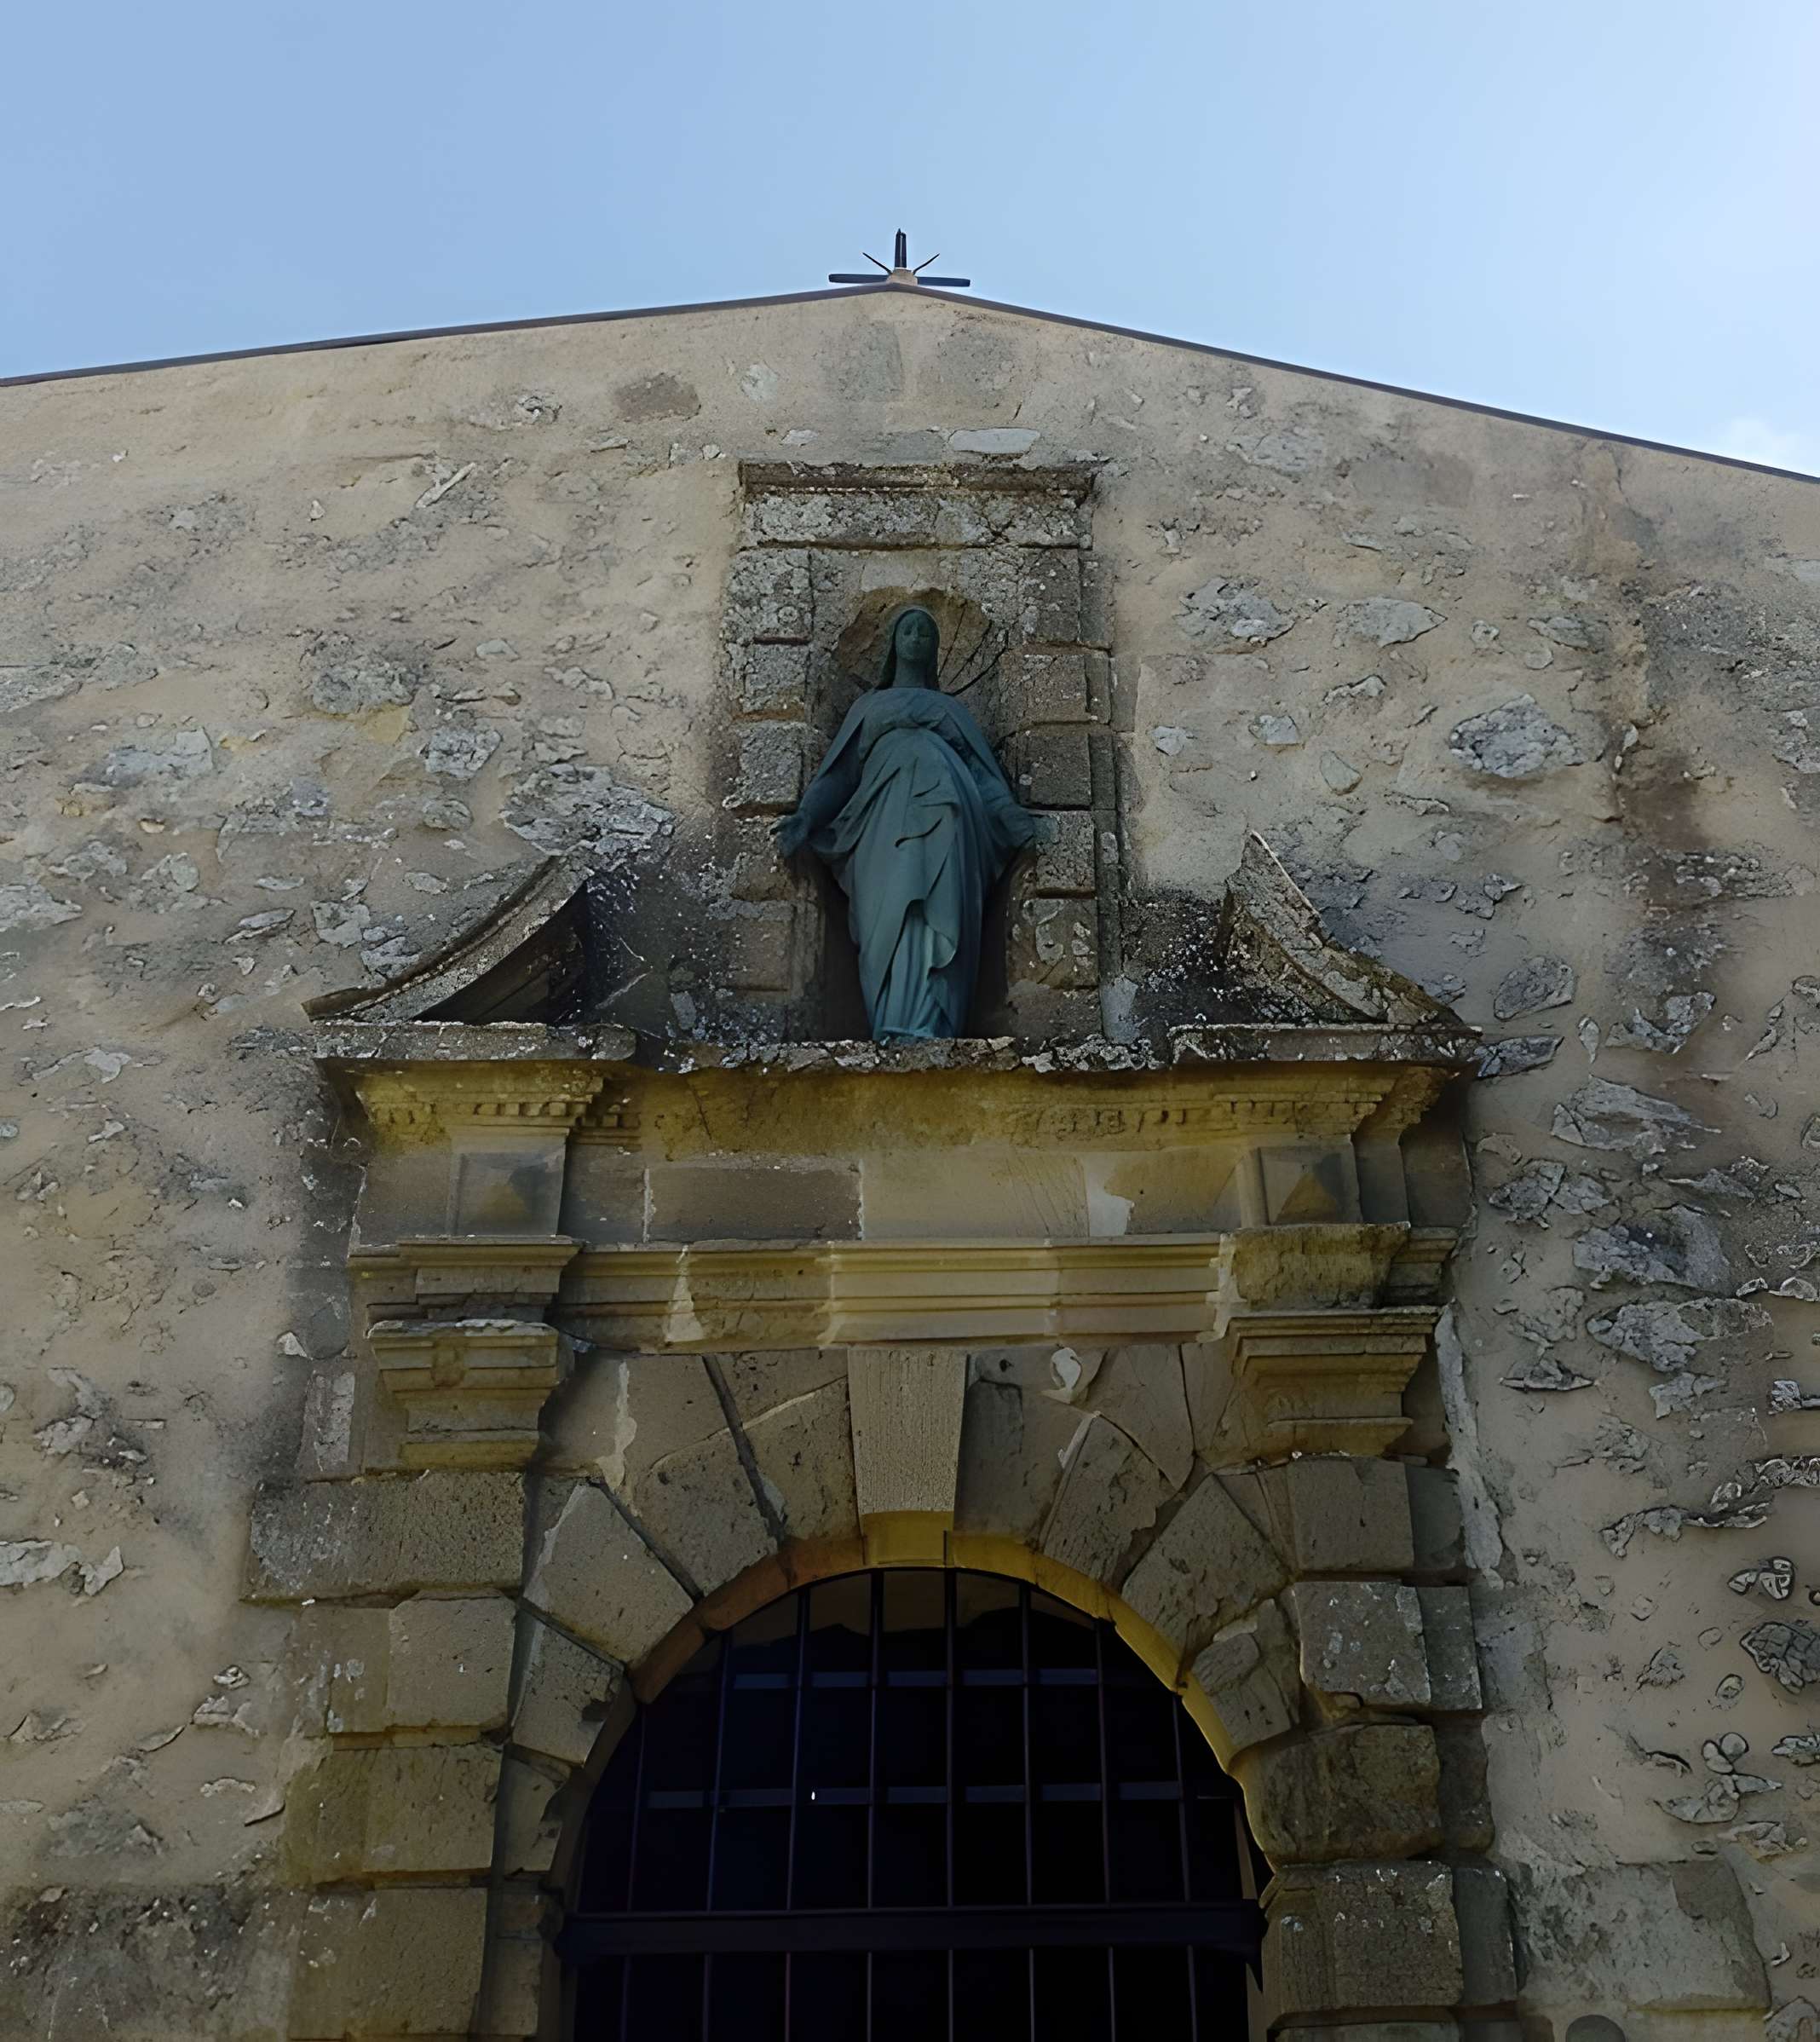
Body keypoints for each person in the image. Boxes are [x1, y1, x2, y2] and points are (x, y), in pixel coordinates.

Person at [775, 605, 1040, 1041]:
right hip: (882, 828)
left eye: (926, 633)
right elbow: (840, 775)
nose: (916, 637)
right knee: (891, 911)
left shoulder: (949, 711)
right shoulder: (869, 707)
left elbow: (980, 772)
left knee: (939, 909)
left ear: (936, 649)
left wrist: (1012, 818)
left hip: (947, 820)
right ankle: (889, 1019)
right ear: (893, 644)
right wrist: (806, 817)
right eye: (909, 630)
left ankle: (933, 1023)